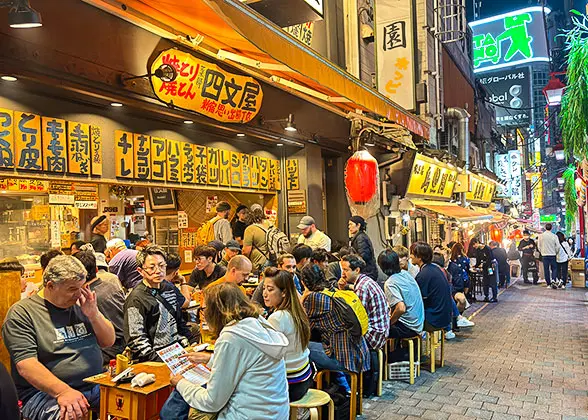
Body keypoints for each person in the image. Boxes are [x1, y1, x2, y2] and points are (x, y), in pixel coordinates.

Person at [2, 255, 115, 420]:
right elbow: (26, 365)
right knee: (71, 414)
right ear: (50, 286)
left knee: (136, 400)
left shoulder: (80, 305)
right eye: (71, 289)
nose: (78, 294)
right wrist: (63, 391)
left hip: (95, 383)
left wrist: (94, 314)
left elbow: (108, 341)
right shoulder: (22, 313)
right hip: (44, 393)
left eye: (81, 287)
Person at [159, 283, 289, 420]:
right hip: (275, 412)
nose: (203, 314)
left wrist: (180, 383)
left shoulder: (231, 337)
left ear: (215, 311)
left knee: (174, 407)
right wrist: (209, 359)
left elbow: (212, 402)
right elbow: (246, 362)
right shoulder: (256, 323)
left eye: (204, 309)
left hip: (248, 415)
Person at [300, 264, 370, 393]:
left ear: (303, 281)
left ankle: (309, 393)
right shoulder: (331, 289)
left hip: (345, 359)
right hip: (359, 352)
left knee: (302, 348)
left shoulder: (314, 298)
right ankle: (338, 387)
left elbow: (302, 325)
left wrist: (304, 295)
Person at [124, 245, 196, 362]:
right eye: (152, 267)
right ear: (141, 271)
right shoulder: (136, 299)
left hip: (177, 351)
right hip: (155, 359)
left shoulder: (169, 288)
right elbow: (136, 339)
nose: (158, 271)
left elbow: (178, 320)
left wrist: (192, 342)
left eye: (161, 266)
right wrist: (160, 360)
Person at [263, 267, 313, 402]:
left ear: (284, 292)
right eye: (264, 289)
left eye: (270, 289)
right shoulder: (297, 310)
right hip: (304, 378)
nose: (265, 294)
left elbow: (267, 354)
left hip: (290, 385)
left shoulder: (277, 317)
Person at [74, 250, 126, 366]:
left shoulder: (84, 297)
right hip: (125, 342)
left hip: (109, 349)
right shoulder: (112, 284)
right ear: (97, 270)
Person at [338, 254, 389, 350]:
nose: (343, 274)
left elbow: (356, 317)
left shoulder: (362, 287)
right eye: (342, 270)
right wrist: (342, 289)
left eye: (346, 270)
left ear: (357, 270)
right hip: (379, 331)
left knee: (340, 336)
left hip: (374, 336)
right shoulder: (364, 281)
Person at [378, 249, 424, 338]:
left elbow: (401, 308)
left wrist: (389, 323)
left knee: (375, 328)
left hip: (409, 327)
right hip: (418, 323)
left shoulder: (390, 283)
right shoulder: (405, 274)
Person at [410, 242, 453, 331]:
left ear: (419, 257)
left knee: (404, 322)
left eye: (412, 254)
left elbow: (419, 299)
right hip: (444, 316)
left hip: (434, 318)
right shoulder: (434, 268)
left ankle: (412, 345)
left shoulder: (424, 274)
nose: (410, 257)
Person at [348, 216, 379, 282]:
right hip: (367, 272)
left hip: (367, 272)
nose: (349, 227)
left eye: (351, 224)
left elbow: (363, 256)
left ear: (358, 225)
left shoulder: (360, 238)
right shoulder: (360, 236)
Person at [242, 204, 271, 272]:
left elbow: (246, 251)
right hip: (273, 260)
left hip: (259, 263)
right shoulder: (270, 225)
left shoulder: (250, 229)